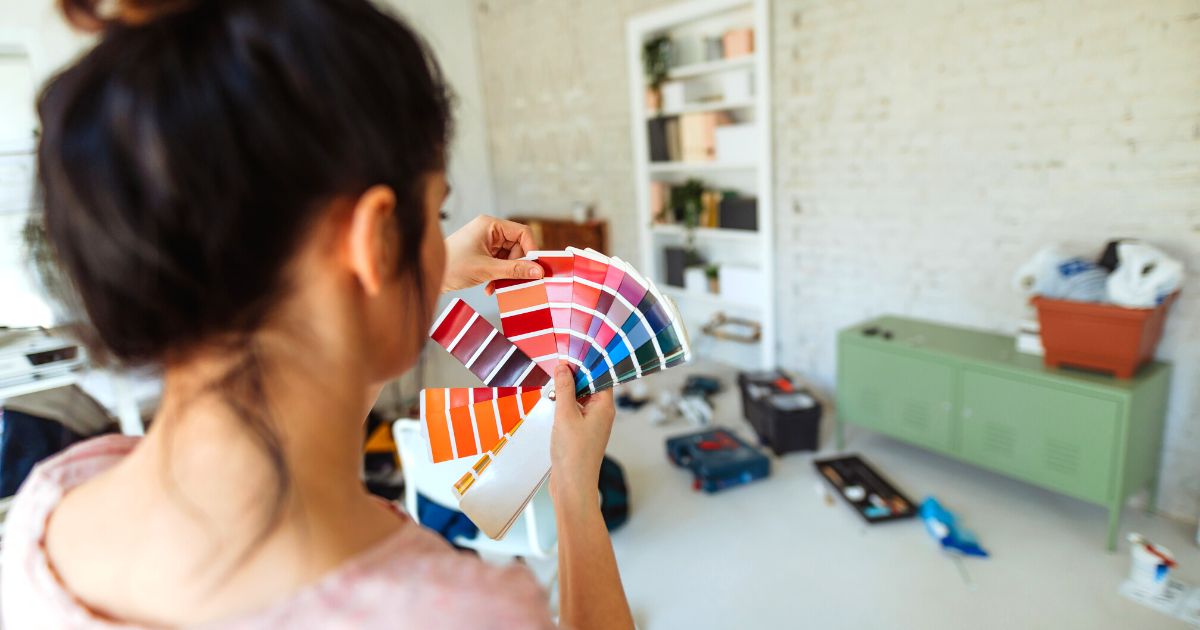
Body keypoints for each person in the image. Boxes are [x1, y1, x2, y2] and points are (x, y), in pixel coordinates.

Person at [0, 1, 636, 628]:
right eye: (435, 216)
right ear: (374, 239)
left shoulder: (50, 507)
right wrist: (575, 496)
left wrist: (421, 267)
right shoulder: (465, 611)